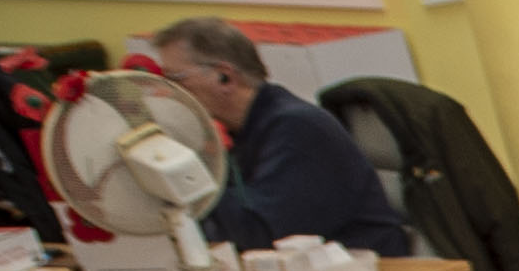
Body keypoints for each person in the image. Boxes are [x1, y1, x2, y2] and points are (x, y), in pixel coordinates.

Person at [141, 17, 413, 258]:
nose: (169, 94)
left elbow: (260, 233)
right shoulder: (242, 128)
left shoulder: (297, 127)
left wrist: (189, 165)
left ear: (225, 77)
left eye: (176, 80)